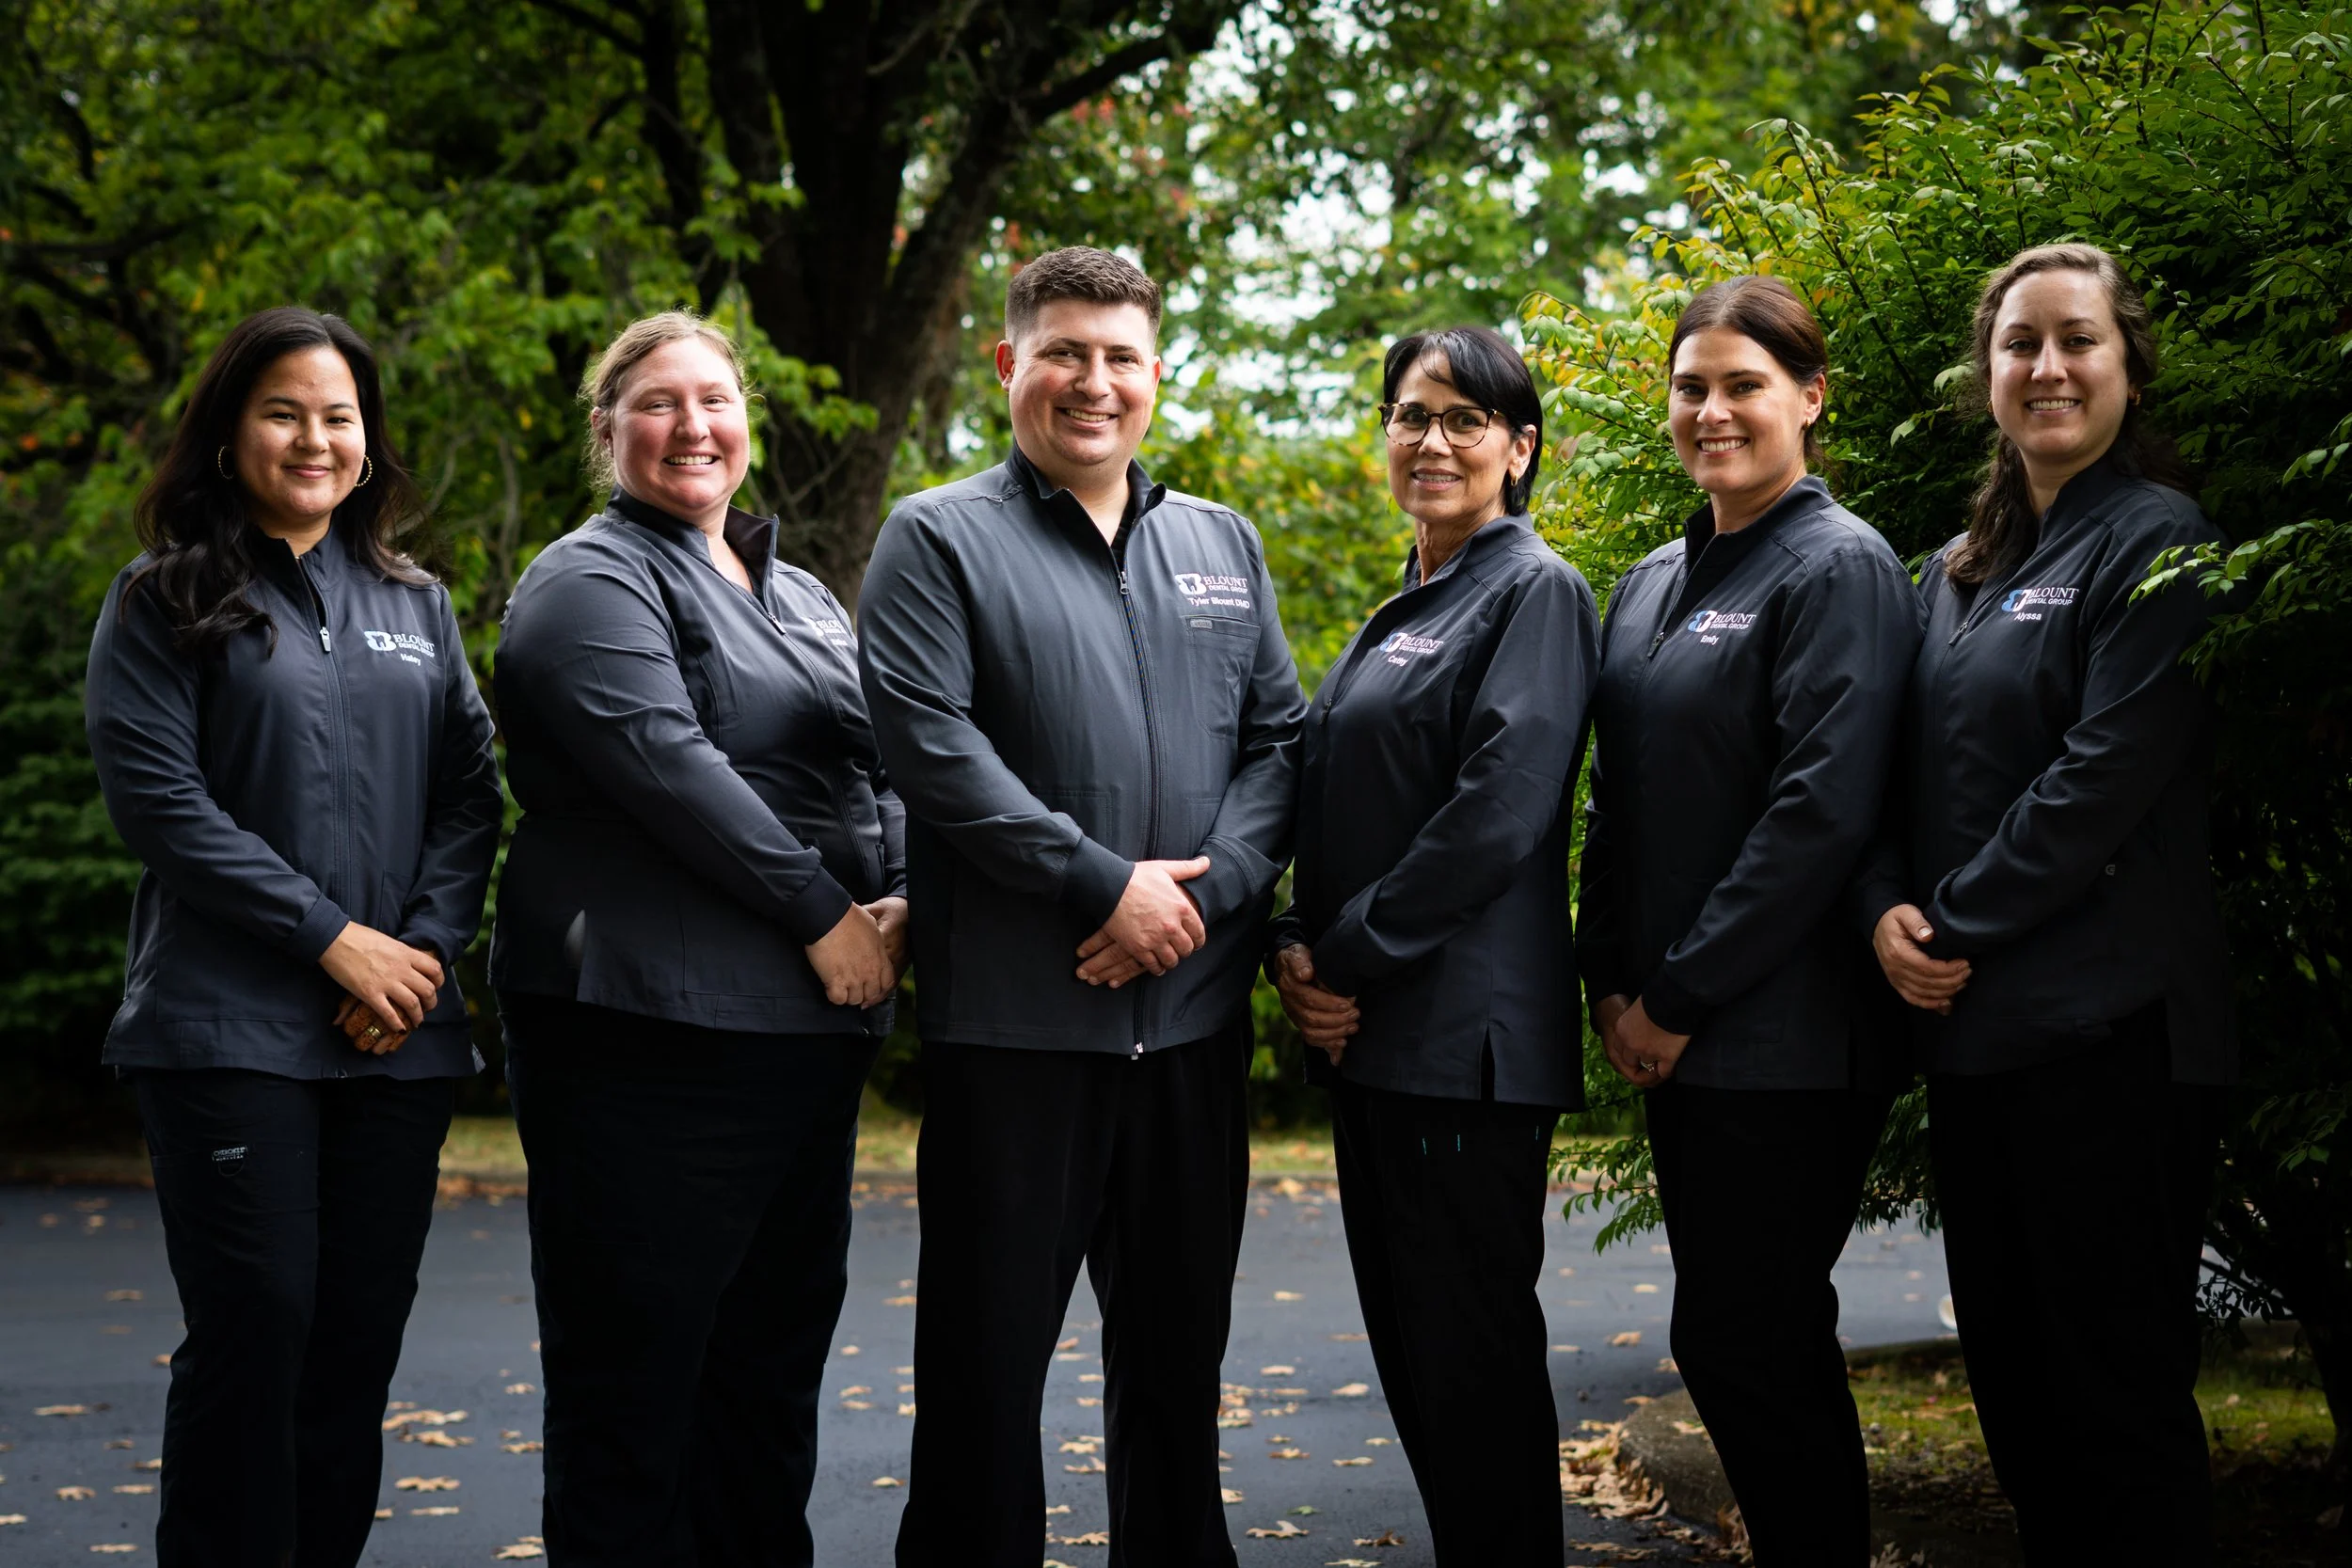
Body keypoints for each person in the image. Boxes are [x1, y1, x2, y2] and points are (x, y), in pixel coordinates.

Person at [859, 246, 1306, 1567]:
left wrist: (1207, 895)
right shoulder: (938, 536)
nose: (1092, 381)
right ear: (1009, 363)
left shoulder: (1220, 542)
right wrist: (1100, 883)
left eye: (1120, 356)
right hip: (1017, 1033)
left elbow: (1282, 743)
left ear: (1157, 373)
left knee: (1176, 1367)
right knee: (985, 1374)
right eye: (1063, 351)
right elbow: (933, 748)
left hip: (1191, 1030)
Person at [84, 306, 501, 1568]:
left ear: (368, 443)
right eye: (284, 412)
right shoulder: (161, 597)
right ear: (229, 434)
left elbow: (469, 793)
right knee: (258, 1326)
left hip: (395, 1039)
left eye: (338, 417)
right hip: (225, 1029)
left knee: (352, 1349)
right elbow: (163, 807)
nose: (314, 439)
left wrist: (413, 958)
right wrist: (335, 941)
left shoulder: (417, 604)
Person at [490, 310, 906, 1566]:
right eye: (658, 402)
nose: (693, 426)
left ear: (747, 423)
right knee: (638, 1384)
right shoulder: (587, 580)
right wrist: (824, 915)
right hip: (647, 1038)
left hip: (802, 1041)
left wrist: (900, 900)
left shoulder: (802, 592)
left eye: (715, 399)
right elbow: (669, 769)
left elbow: (884, 758)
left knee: (766, 1380)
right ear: (606, 430)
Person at [1861, 243, 2231, 1566]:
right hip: (1977, 1042)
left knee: (2115, 1401)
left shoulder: (2162, 542)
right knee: (2019, 1402)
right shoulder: (1949, 571)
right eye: (2021, 343)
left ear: (2128, 366)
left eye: (2079, 340)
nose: (2049, 367)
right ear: (1987, 373)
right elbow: (1882, 777)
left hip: (2114, 1040)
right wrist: (1883, 911)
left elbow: (2097, 783)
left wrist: (1944, 924)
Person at [1577, 277, 1922, 1565]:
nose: (1711, 410)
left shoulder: (1842, 566)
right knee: (1739, 1334)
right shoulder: (1651, 580)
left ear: (1811, 397)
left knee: (1746, 1334)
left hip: (1790, 1032)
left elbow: (1818, 813)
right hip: (1678, 1031)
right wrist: (1609, 981)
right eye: (1691, 387)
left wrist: (1677, 998)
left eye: (1744, 385)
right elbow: (1614, 801)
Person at [1266, 325, 1597, 1562]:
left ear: (1520, 447)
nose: (1434, 440)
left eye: (1467, 419)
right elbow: (1329, 801)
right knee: (1419, 1365)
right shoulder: (1402, 603)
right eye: (1412, 415)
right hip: (1374, 1042)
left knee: (1471, 1368)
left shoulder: (1534, 591)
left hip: (1463, 1050)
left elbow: (1499, 811)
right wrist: (1292, 944)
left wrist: (1341, 956)